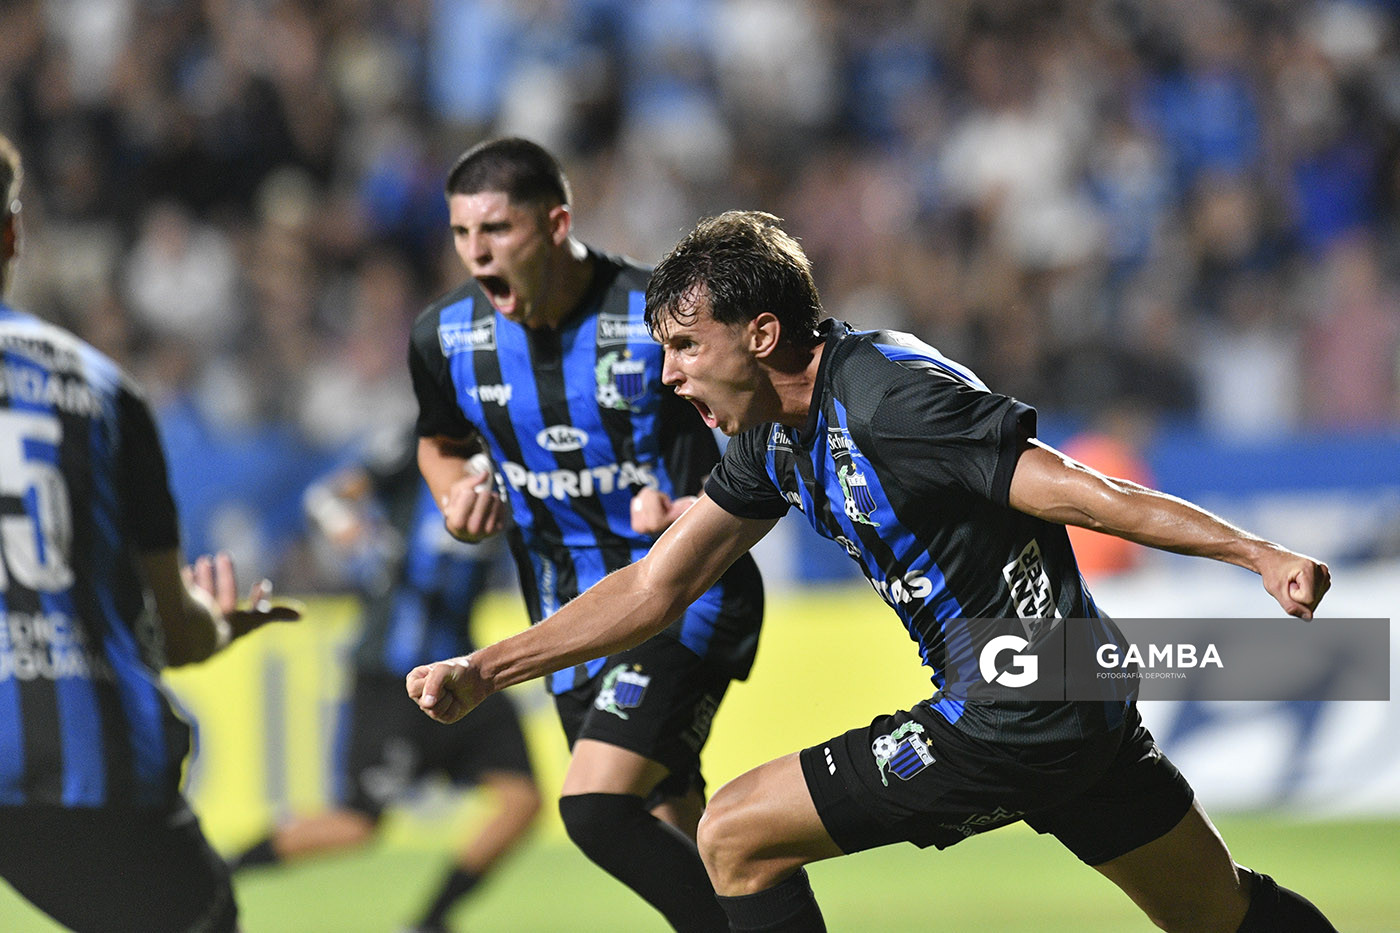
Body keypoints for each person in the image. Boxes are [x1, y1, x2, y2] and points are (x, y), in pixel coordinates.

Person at [407, 210, 1339, 933]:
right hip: (1070, 686)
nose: (668, 374)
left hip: (1014, 698)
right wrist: (488, 669)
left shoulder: (892, 398)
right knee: (1218, 915)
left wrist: (1256, 553)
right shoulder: (771, 436)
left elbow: (1083, 491)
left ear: (761, 334)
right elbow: (657, 586)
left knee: (731, 833)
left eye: (686, 346)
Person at [407, 138, 765, 932]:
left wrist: (696, 499)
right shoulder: (445, 338)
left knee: (596, 805)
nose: (477, 252)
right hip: (572, 623)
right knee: (677, 831)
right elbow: (438, 441)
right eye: (463, 234)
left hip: (686, 593)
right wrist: (454, 490)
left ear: (556, 221)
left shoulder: (652, 312)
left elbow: (756, 420)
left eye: (496, 230)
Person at [0, 132, 298, 932]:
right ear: (13, 233)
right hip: (81, 764)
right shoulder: (101, 393)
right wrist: (216, 619)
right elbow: (174, 630)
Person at [229, 430, 541, 933]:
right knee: (355, 826)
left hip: (464, 669)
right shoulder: (427, 442)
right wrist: (347, 528)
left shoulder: (516, 447)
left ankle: (429, 922)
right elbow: (327, 496)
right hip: (392, 676)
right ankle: (217, 872)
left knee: (521, 801)